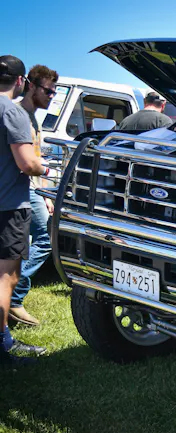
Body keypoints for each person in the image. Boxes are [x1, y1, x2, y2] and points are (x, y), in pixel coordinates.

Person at [0, 55, 50, 367]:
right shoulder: (13, 112)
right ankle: (3, 342)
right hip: (7, 206)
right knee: (6, 277)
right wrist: (48, 169)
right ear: (21, 82)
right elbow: (27, 163)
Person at [9, 65, 59, 326]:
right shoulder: (18, 114)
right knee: (45, 238)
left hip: (32, 188)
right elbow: (28, 162)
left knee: (26, 244)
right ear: (30, 85)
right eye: (48, 91)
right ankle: (14, 297)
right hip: (19, 187)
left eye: (54, 92)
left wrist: (46, 194)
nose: (51, 96)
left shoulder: (32, 116)